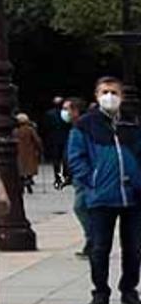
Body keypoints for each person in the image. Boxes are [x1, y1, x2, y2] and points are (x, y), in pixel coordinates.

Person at [67, 77, 141, 304]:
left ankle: (129, 291)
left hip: (133, 195)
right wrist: (91, 181)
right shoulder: (85, 124)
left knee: (133, 247)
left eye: (114, 92)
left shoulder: (132, 122)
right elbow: (76, 157)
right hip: (101, 196)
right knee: (100, 248)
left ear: (122, 96)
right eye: (105, 92)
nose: (110, 96)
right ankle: (100, 292)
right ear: (97, 96)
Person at [60, 98, 91, 257]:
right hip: (80, 175)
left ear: (76, 111)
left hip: (83, 176)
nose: (64, 113)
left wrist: (82, 173)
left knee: (81, 207)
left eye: (67, 109)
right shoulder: (78, 127)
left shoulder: (81, 128)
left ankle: (94, 242)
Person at [44, 95, 72, 185]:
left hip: (53, 138)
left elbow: (46, 127)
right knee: (65, 158)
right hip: (65, 137)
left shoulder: (49, 114)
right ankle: (66, 176)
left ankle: (57, 177)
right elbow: (70, 125)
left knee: (56, 159)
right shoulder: (66, 113)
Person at [15, 113, 43, 194]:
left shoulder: (15, 131)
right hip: (30, 152)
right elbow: (37, 140)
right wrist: (40, 149)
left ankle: (22, 183)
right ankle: (28, 181)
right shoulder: (30, 130)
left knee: (21, 169)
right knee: (29, 169)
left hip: (19, 152)